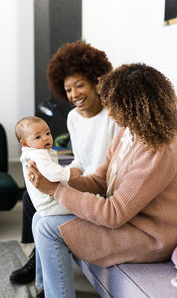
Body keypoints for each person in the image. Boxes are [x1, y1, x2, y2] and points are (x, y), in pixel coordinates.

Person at [28, 63, 177, 298]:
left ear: (135, 106)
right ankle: (43, 288)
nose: (111, 111)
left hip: (149, 236)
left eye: (116, 105)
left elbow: (114, 213)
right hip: (129, 221)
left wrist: (57, 191)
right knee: (40, 215)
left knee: (48, 227)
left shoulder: (157, 149)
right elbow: (100, 179)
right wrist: (57, 181)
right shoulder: (127, 132)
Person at [10, 40, 118, 285]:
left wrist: (73, 181)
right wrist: (66, 173)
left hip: (100, 184)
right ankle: (39, 256)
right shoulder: (72, 117)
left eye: (80, 85)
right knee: (30, 195)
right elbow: (80, 157)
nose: (74, 95)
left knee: (43, 205)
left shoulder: (113, 116)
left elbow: (113, 164)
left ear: (96, 80)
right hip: (82, 178)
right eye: (68, 89)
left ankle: (40, 255)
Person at [15, 116, 81, 217]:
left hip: (46, 204)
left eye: (48, 133)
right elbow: (53, 173)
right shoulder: (38, 154)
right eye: (38, 137)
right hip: (51, 204)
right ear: (25, 143)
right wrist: (69, 173)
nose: (46, 138)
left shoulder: (33, 152)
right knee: (80, 204)